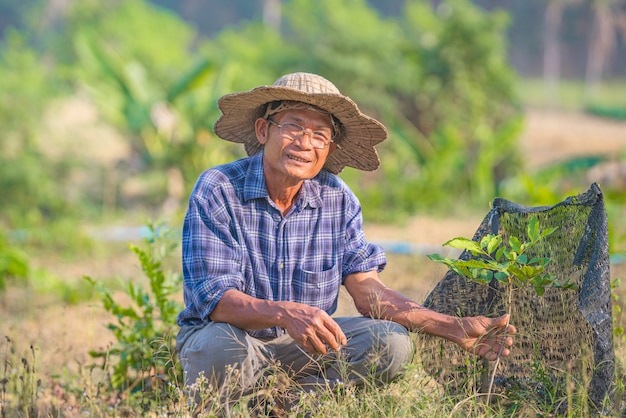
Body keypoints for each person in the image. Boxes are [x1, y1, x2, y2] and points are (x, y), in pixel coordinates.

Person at [176, 72, 516, 414]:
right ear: (264, 130)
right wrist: (284, 312)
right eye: (293, 127)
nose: (304, 143)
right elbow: (216, 301)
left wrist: (454, 327)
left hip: (305, 352)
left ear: (330, 149)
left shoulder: (338, 199)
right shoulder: (219, 188)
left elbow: (369, 294)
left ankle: (291, 406)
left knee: (391, 344)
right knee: (219, 347)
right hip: (236, 341)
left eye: (319, 135)